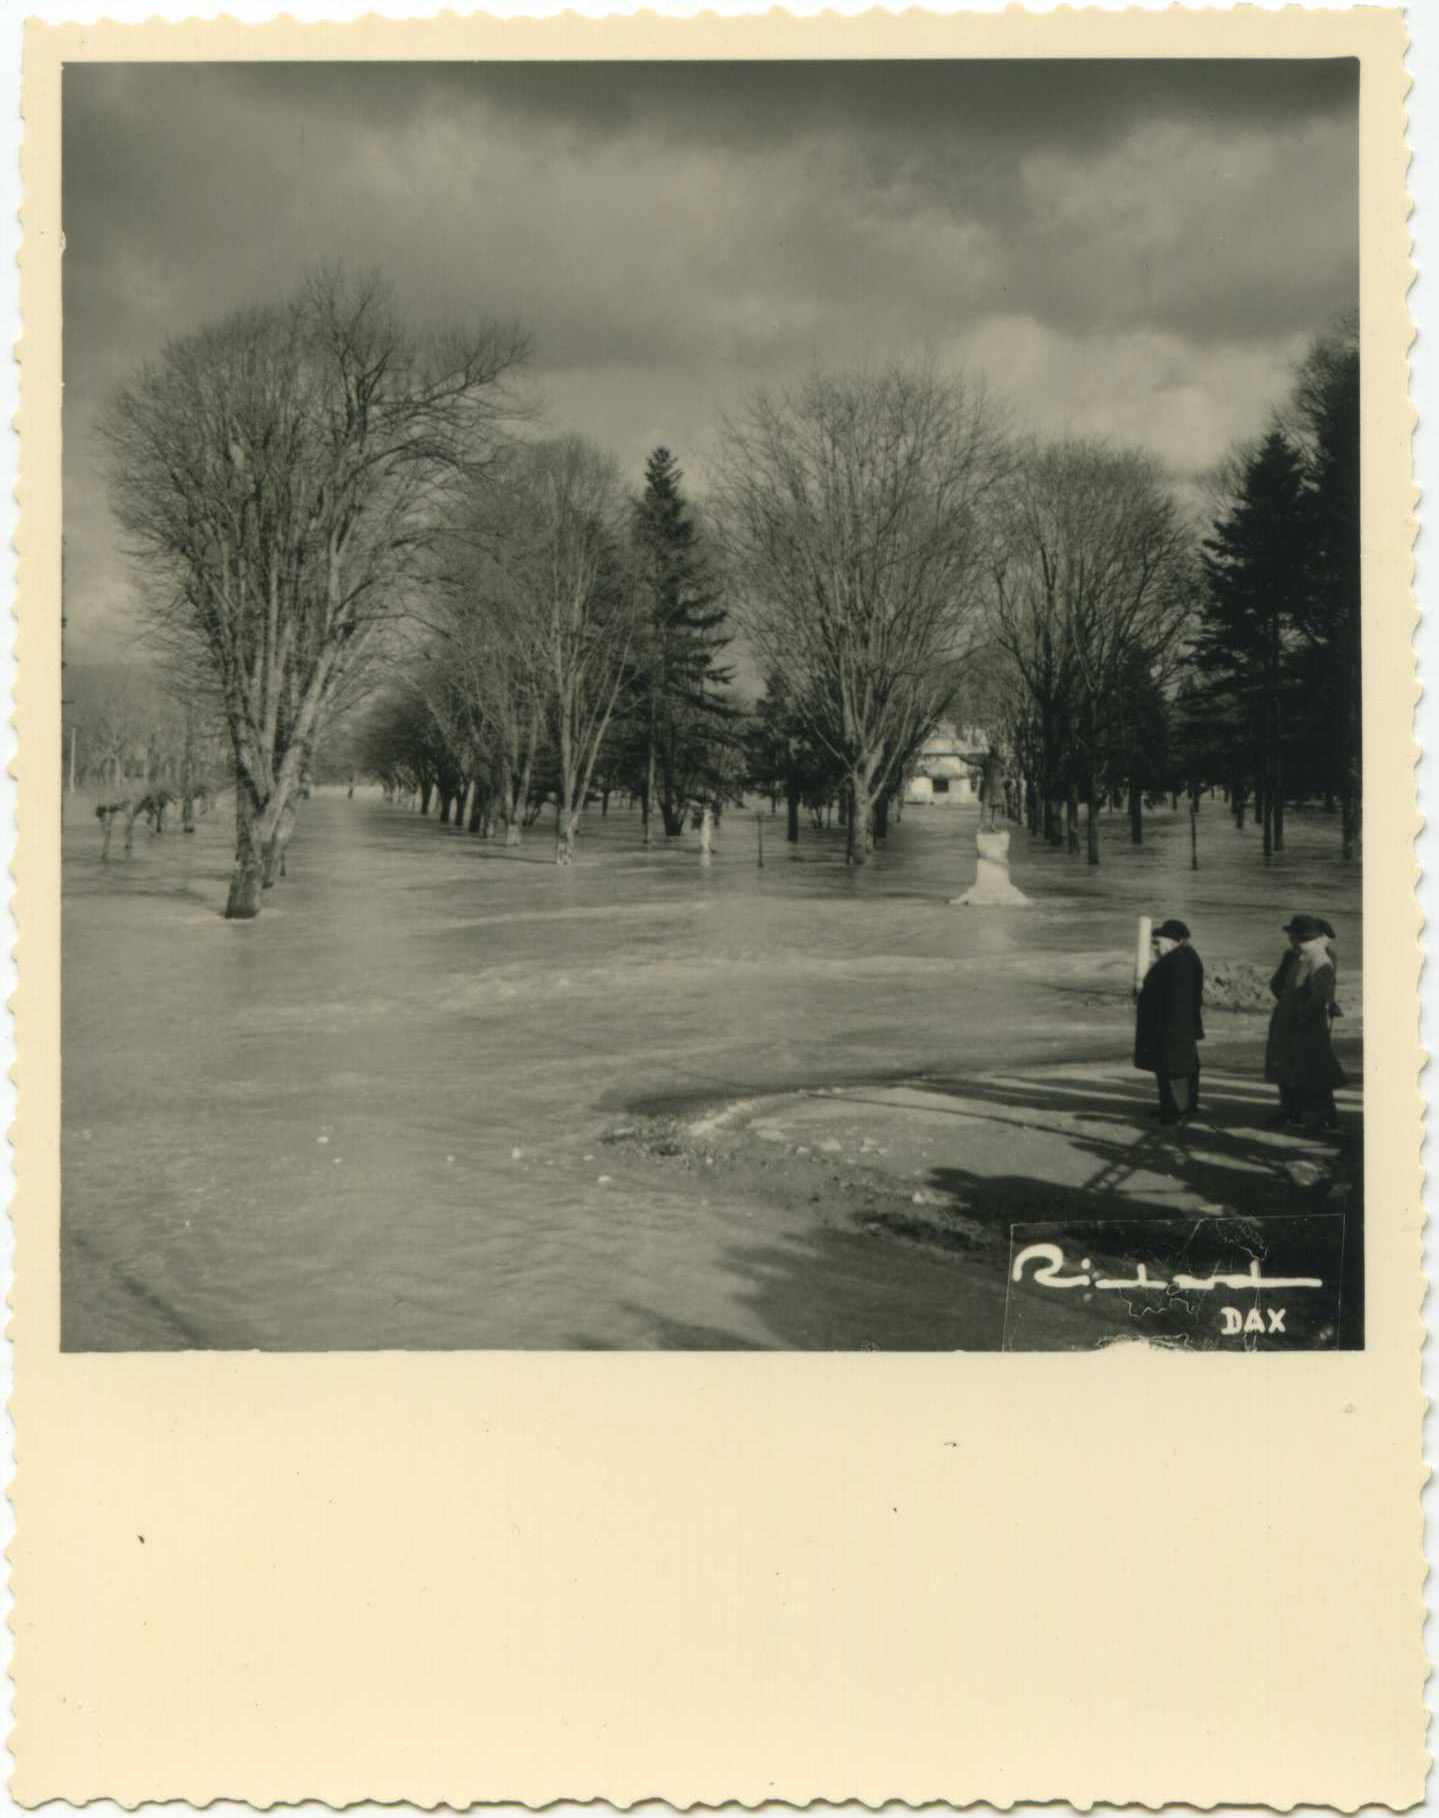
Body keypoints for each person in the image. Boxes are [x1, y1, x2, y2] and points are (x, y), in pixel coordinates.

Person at [1265, 914, 1345, 1129]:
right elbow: (1279, 986)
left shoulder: (1322, 962)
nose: (1296, 942)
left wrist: (1299, 1017)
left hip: (1306, 1027)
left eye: (1303, 939)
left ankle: (1327, 1117)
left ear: (1317, 940)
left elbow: (1318, 999)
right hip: (1290, 1023)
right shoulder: (1298, 957)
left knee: (1315, 1072)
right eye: (1295, 937)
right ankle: (1291, 1112)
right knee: (1287, 1070)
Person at [1134, 918, 1205, 1125]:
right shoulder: (1181, 956)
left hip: (1172, 1027)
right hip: (1176, 1026)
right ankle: (1174, 1108)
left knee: (1175, 1070)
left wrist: (1145, 995)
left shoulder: (1179, 960)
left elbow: (1177, 999)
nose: (1153, 947)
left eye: (1157, 942)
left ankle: (1176, 1112)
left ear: (1174, 941)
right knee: (1174, 1069)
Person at [959, 744, 1008, 832]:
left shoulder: (987, 760)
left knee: (987, 806)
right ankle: (990, 825)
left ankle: (984, 825)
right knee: (993, 807)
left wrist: (962, 757)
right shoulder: (999, 762)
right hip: (995, 786)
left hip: (990, 786)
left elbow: (972, 761)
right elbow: (1005, 774)